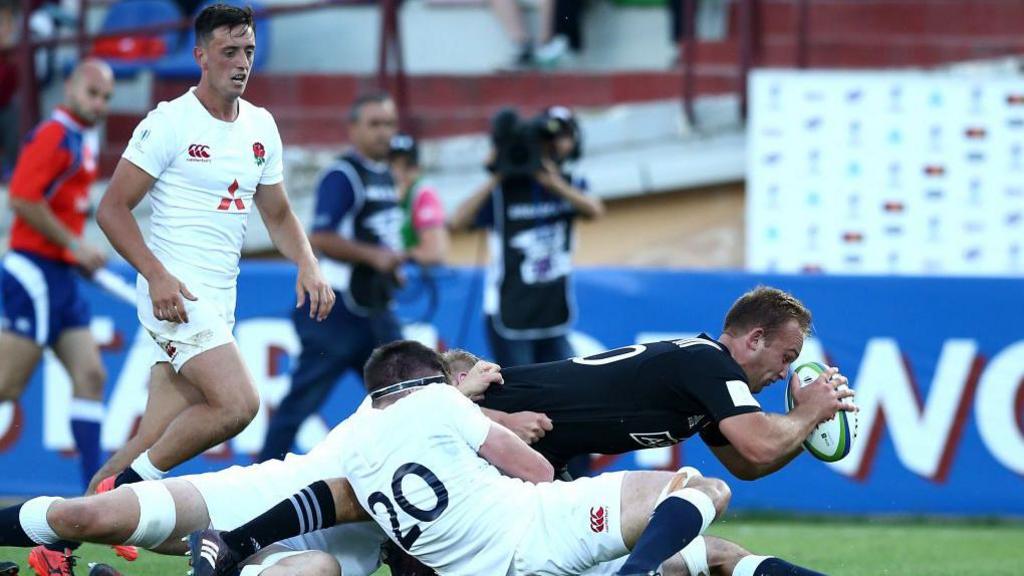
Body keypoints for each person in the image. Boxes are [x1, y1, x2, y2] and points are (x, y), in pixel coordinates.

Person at [187, 340, 830, 576]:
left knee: (714, 555)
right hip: (538, 536)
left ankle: (231, 546)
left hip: (484, 561)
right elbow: (541, 471)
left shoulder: (359, 450)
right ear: (433, 384)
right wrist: (487, 419)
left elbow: (331, 499)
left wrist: (239, 540)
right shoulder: (442, 409)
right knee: (700, 492)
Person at [88, 0, 332, 525]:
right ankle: (130, 489)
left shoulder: (261, 126)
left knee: (151, 436)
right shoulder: (169, 122)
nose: (242, 63)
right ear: (200, 55)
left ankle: (58, 536)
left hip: (220, 299)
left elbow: (278, 213)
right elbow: (111, 209)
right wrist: (156, 275)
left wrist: (308, 263)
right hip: (175, 295)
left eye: (249, 51)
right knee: (238, 404)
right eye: (229, 52)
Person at [0, 360, 508, 576]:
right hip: (246, 498)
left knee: (320, 569)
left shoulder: (463, 471)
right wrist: (457, 391)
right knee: (83, 516)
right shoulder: (385, 411)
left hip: (294, 558)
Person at [0, 58, 115, 574]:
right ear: (69, 86)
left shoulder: (80, 138)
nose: (99, 104)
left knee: (91, 375)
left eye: (106, 97)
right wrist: (74, 243)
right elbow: (22, 198)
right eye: (92, 93)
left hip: (62, 275)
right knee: (7, 384)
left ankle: (96, 502)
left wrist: (76, 252)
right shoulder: (53, 134)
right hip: (35, 270)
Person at [258, 92, 404, 463]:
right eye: (374, 124)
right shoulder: (343, 174)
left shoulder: (385, 173)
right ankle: (262, 474)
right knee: (302, 402)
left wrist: (390, 269)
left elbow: (377, 234)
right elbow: (321, 237)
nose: (383, 132)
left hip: (374, 307)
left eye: (389, 124)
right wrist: (374, 257)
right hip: (338, 311)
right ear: (353, 129)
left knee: (407, 393)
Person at [450, 105, 603, 368]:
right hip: (509, 314)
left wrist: (554, 184)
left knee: (566, 383)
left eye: (563, 137)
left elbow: (595, 211)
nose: (553, 145)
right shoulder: (502, 192)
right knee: (523, 386)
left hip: (553, 312)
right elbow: (456, 222)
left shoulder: (568, 184)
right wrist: (499, 173)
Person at [388, 133, 448, 266]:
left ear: (417, 168)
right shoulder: (386, 194)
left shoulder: (423, 194)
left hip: (415, 274)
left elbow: (434, 252)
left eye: (407, 166)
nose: (398, 173)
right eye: (392, 165)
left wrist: (397, 256)